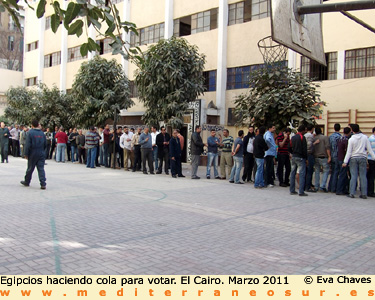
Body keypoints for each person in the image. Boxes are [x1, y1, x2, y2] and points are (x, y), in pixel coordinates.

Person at [343, 124, 375, 199]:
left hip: (353, 158)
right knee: (363, 176)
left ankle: (352, 193)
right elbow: (369, 149)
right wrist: (374, 157)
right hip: (363, 157)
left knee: (353, 176)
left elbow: (349, 152)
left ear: (352, 131)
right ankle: (364, 193)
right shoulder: (365, 137)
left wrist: (345, 162)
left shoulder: (351, 139)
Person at [20, 120, 47, 189]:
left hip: (33, 153)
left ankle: (27, 181)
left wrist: (26, 154)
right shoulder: (42, 133)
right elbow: (45, 144)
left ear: (32, 125)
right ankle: (43, 183)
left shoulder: (30, 132)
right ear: (38, 125)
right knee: (41, 169)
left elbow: (28, 144)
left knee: (30, 168)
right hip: (41, 152)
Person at [289, 125, 308, 196]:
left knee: (292, 173)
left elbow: (289, 146)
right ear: (302, 131)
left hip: (294, 156)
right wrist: (306, 158)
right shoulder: (302, 137)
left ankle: (292, 190)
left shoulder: (293, 137)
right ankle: (301, 191)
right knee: (302, 174)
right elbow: (304, 149)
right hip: (300, 157)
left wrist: (292, 152)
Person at [313, 127, 331, 192]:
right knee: (326, 171)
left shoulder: (314, 138)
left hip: (316, 157)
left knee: (317, 172)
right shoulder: (325, 138)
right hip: (324, 157)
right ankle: (322, 185)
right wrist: (329, 156)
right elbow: (327, 147)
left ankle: (316, 186)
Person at [336, 127, 351, 195]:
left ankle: (343, 189)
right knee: (342, 174)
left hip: (339, 157)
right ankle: (339, 190)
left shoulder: (340, 139)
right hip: (343, 159)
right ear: (349, 132)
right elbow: (347, 150)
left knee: (343, 175)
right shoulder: (346, 140)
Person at [328, 123, 342, 193]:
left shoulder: (330, 137)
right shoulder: (340, 137)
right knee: (336, 172)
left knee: (332, 172)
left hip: (332, 155)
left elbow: (329, 147)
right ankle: (334, 188)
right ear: (340, 128)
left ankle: (330, 186)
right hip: (337, 155)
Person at [304, 124, 315, 192]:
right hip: (309, 154)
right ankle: (308, 186)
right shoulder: (310, 136)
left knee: (306, 171)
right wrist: (315, 143)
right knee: (309, 171)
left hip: (305, 154)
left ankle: (306, 184)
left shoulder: (304, 135)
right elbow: (309, 145)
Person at [367, 127, 375, 197]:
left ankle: (369, 190)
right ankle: (371, 191)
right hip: (373, 159)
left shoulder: (369, 138)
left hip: (369, 158)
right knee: (372, 176)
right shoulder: (373, 139)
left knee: (370, 175)